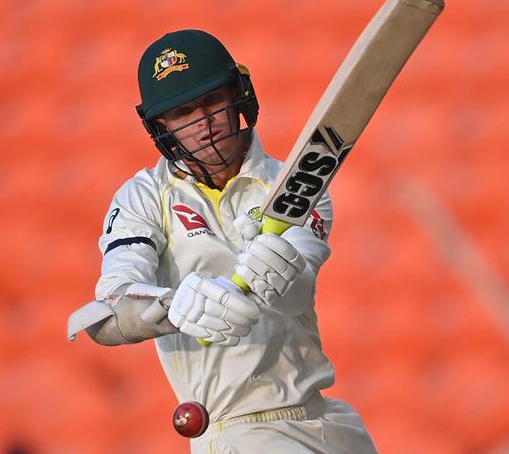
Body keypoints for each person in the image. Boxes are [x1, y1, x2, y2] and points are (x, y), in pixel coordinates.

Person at [68, 29, 378, 453]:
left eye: (213, 101)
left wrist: (280, 270)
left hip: (326, 422)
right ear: (162, 126)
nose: (203, 124)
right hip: (236, 432)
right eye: (183, 112)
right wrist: (172, 307)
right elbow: (110, 314)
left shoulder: (296, 182)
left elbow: (299, 289)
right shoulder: (143, 196)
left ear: (239, 96)